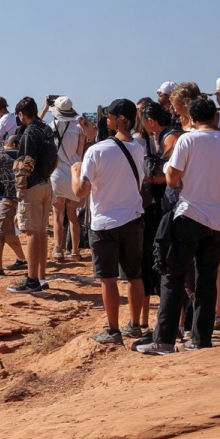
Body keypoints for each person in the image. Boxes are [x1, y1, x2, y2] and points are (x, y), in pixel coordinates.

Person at [138, 97, 220, 354]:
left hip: (189, 214)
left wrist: (187, 183)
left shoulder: (188, 139)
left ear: (192, 119)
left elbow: (171, 179)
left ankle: (164, 341)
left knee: (172, 277)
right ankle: (201, 340)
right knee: (207, 280)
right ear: (215, 118)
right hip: (216, 219)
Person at [71, 98, 147, 345]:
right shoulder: (138, 148)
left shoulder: (96, 151)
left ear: (121, 119)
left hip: (104, 222)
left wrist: (74, 172)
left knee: (108, 279)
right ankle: (135, 325)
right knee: (134, 276)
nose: (107, 119)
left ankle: (113, 330)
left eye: (110, 116)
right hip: (133, 219)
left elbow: (81, 192)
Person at [135, 102, 180, 334]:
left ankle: (176, 325)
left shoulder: (170, 137)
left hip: (171, 207)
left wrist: (151, 178)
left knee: (167, 264)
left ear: (150, 121)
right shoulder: (160, 137)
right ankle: (149, 322)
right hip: (161, 207)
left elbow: (169, 172)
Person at [7, 97, 58, 294]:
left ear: (21, 115)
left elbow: (26, 161)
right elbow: (55, 158)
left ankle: (31, 280)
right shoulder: (46, 129)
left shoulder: (29, 133)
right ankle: (41, 276)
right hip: (46, 183)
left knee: (30, 232)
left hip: (33, 187)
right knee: (41, 232)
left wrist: (20, 189)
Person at [48, 97, 88, 261]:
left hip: (57, 173)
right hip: (73, 173)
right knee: (72, 214)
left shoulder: (51, 127)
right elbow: (79, 153)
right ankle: (75, 250)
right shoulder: (78, 129)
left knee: (58, 214)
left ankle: (58, 249)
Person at [0, 136, 28, 276]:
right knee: (10, 232)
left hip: (5, 199)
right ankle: (22, 259)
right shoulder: (24, 158)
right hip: (21, 198)